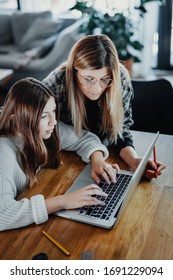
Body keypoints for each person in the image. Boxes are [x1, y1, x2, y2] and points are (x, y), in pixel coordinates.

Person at [0, 77, 117, 231]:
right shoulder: (3, 152)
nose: (53, 122)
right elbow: (3, 215)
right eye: (43, 116)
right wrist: (63, 201)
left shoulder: (44, 129)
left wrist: (97, 159)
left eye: (53, 111)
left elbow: (84, 138)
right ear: (16, 121)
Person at [43, 34, 165, 180]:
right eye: (89, 79)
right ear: (74, 72)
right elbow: (37, 124)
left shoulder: (119, 79)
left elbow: (119, 132)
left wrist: (135, 161)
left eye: (104, 79)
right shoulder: (57, 82)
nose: (96, 88)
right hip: (63, 157)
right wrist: (96, 154)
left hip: (105, 154)